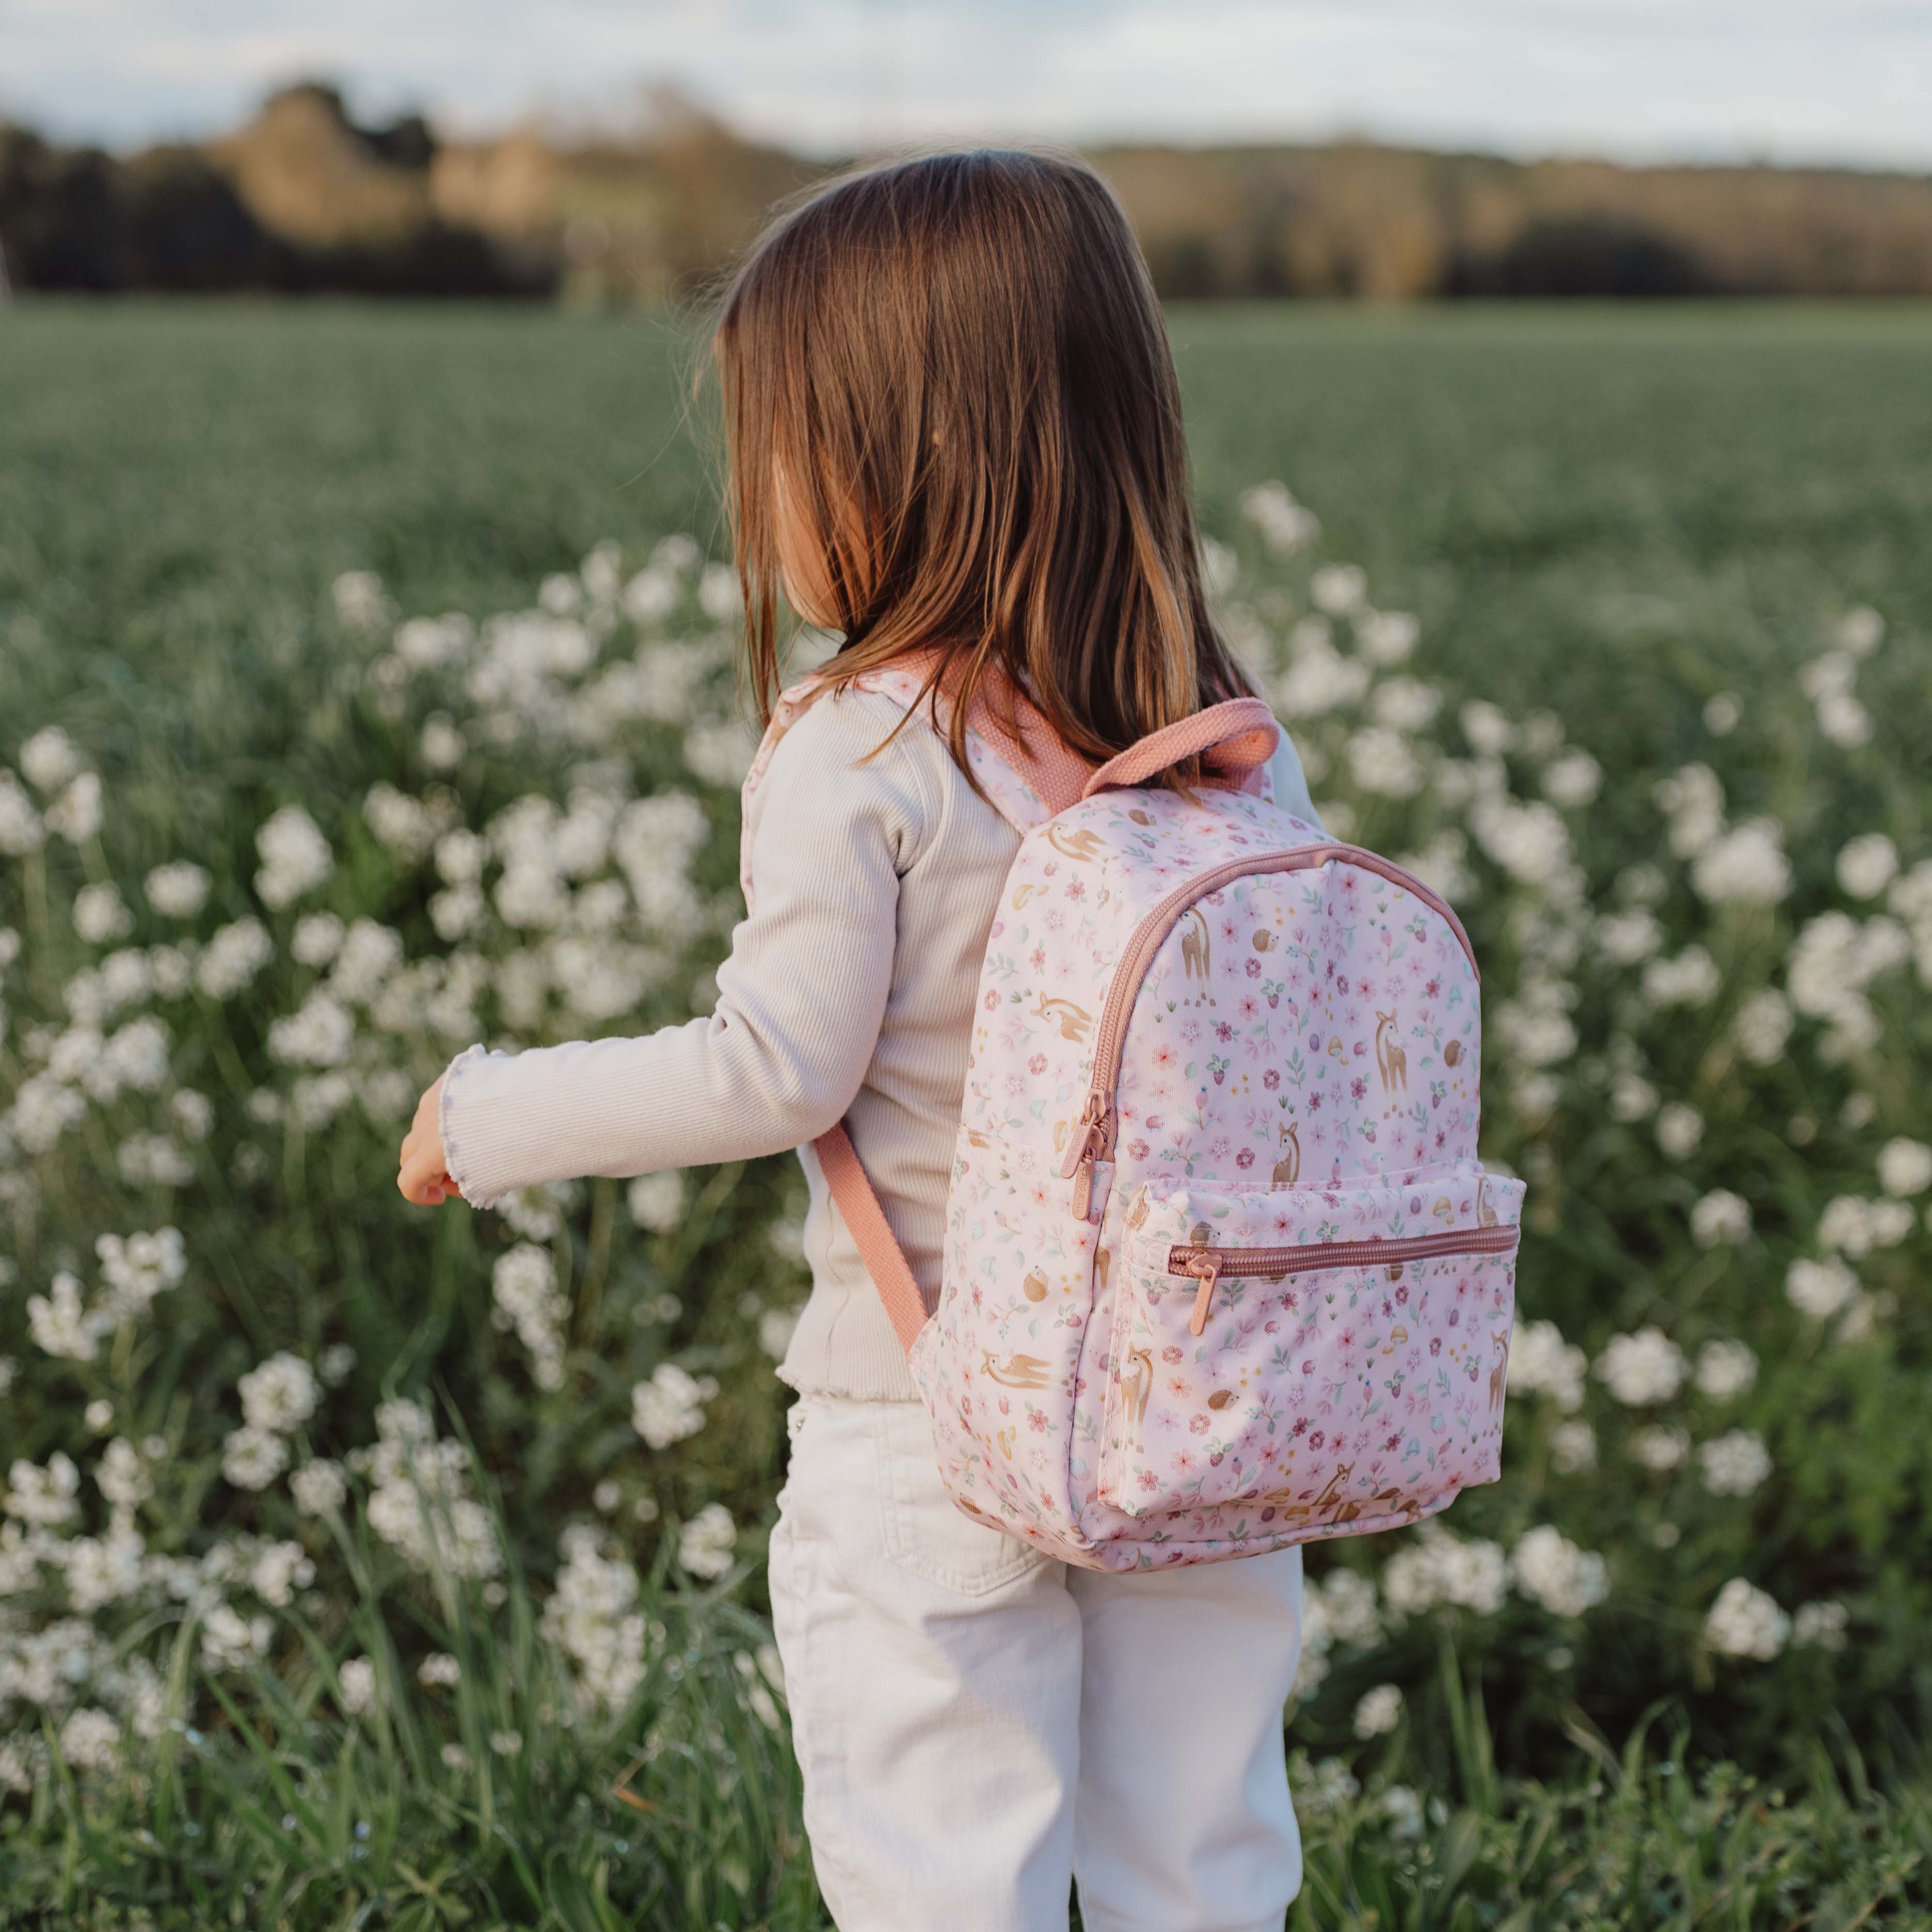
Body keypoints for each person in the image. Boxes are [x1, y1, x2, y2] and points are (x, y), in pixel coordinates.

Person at [398, 148, 1319, 1932]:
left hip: (933, 1421)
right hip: (1197, 1412)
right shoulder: (1224, 745)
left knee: (941, 1881)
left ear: (894, 459)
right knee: (1199, 1870)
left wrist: (489, 1110)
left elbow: (772, 1067)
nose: (758, 510)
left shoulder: (865, 743)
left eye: (775, 453)